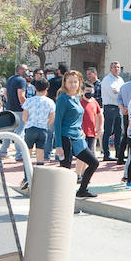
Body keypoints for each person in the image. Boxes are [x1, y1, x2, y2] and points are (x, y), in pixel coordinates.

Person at [54, 70, 98, 199]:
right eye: (70, 82)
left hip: (78, 138)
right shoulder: (62, 99)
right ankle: (61, 199)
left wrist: (81, 130)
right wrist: (58, 145)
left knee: (94, 162)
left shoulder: (77, 97)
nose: (73, 84)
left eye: (75, 81)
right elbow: (57, 122)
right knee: (66, 169)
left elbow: (78, 118)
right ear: (65, 83)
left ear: (79, 83)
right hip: (66, 137)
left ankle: (82, 190)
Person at [22, 79, 55, 166]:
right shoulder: (50, 102)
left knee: (28, 153)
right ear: (46, 89)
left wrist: (28, 121)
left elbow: (24, 117)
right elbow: (52, 118)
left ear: (35, 88)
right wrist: (45, 123)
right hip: (43, 129)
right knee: (40, 153)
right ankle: (40, 175)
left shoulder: (29, 101)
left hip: (30, 128)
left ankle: (27, 176)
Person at [0, 63, 28, 159]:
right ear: (19, 70)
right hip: (19, 109)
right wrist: (27, 107)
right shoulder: (21, 80)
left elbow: (6, 93)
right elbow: (21, 96)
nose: (26, 72)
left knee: (9, 131)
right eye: (24, 70)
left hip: (10, 108)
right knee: (20, 131)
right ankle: (19, 154)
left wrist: (9, 102)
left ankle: (3, 151)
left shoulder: (10, 79)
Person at [102, 61, 126, 162]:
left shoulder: (120, 79)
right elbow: (113, 94)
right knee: (108, 132)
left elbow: (122, 93)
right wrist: (121, 93)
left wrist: (119, 92)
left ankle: (118, 153)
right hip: (110, 108)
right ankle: (106, 154)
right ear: (110, 69)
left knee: (118, 131)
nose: (116, 69)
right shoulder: (107, 80)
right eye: (114, 67)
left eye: (118, 67)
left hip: (118, 108)